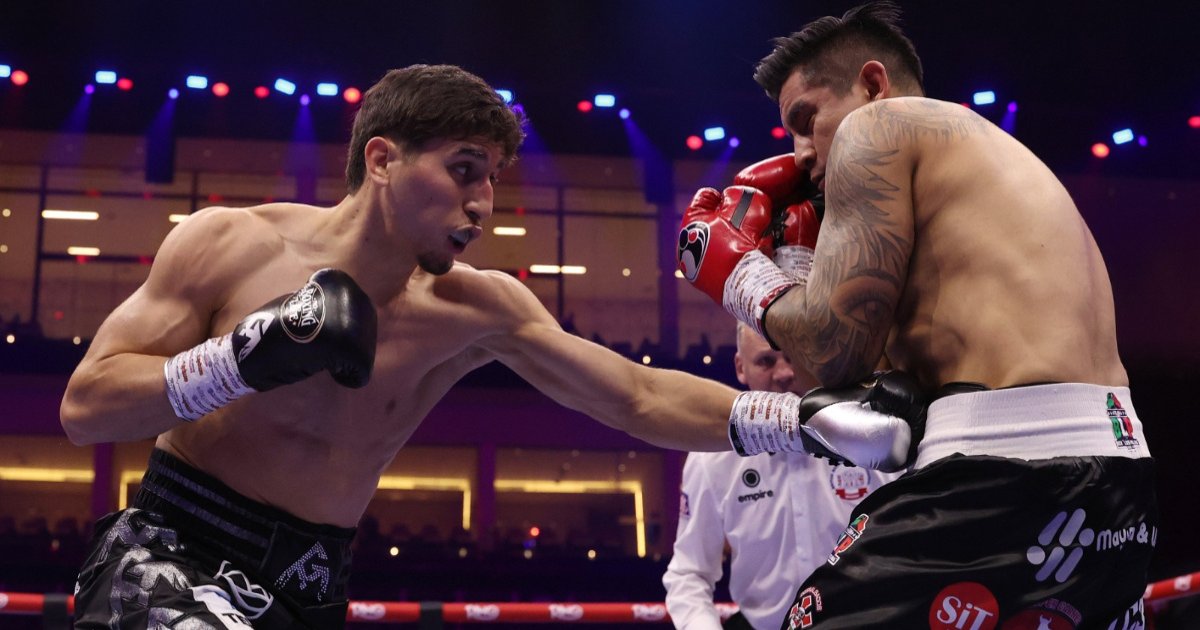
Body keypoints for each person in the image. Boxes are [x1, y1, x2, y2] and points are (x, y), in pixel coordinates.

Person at [60, 64, 923, 630]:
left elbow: (636, 396)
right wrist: (239, 359)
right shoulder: (229, 244)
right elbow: (85, 407)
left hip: (312, 582)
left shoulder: (477, 308)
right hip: (173, 548)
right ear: (384, 158)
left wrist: (802, 420)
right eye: (465, 170)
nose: (483, 205)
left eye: (495, 181)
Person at [678, 3, 1157, 628]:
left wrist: (738, 272)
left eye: (806, 120)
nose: (800, 157)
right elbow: (862, 391)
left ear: (873, 86)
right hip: (1120, 480)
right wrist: (799, 264)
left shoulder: (877, 129)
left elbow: (827, 353)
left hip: (1008, 471)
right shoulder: (980, 171)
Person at [663, 323, 898, 630]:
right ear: (741, 367)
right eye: (766, 361)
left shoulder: (871, 434)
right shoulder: (713, 457)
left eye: (795, 357)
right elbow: (689, 574)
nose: (785, 373)